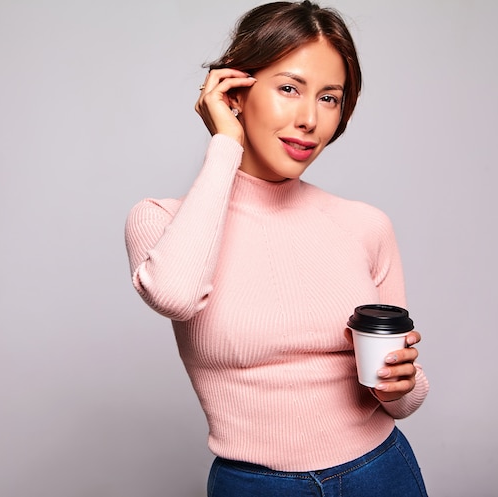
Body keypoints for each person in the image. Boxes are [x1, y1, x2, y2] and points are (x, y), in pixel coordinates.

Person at [124, 1, 430, 495]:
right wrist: (226, 144)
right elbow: (176, 296)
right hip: (257, 486)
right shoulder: (162, 220)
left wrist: (400, 385)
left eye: (330, 98)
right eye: (289, 88)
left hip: (381, 472)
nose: (309, 118)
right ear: (235, 92)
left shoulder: (365, 224)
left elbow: (405, 394)